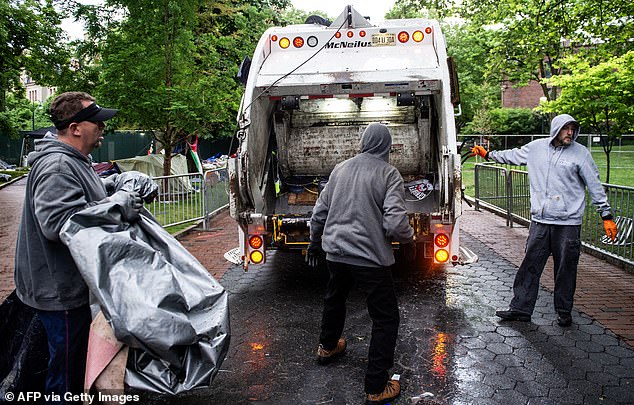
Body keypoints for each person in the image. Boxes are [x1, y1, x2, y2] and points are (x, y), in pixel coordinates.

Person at [14, 91, 144, 402]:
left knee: (67, 367)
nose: (102, 127)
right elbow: (58, 223)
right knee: (66, 376)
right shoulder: (57, 165)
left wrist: (111, 187)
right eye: (96, 121)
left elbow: (80, 201)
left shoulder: (74, 161)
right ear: (75, 128)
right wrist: (119, 204)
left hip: (65, 287)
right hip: (62, 293)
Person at [470, 114, 618, 327]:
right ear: (556, 129)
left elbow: (594, 185)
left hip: (568, 224)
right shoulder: (536, 148)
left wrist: (606, 216)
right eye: (566, 128)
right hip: (540, 221)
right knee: (530, 265)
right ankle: (520, 308)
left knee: (565, 269)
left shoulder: (580, 154)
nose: (570, 132)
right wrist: (488, 154)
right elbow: (512, 155)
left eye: (572, 129)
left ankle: (564, 311)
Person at [307, 123, 416, 405]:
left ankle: (327, 347)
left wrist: (314, 241)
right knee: (385, 318)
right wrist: (409, 240)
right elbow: (395, 222)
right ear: (387, 146)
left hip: (336, 253)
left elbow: (320, 212)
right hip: (369, 258)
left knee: (335, 298)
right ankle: (376, 387)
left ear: (363, 142)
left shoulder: (340, 169)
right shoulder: (389, 174)